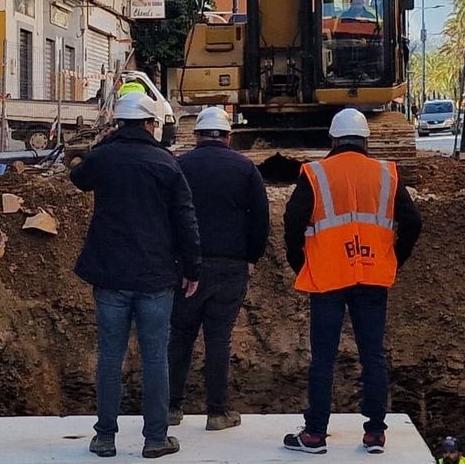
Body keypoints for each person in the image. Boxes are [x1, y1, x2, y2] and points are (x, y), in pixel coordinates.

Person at [283, 108, 424, 455]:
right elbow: (413, 221)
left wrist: (302, 263)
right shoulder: (387, 173)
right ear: (365, 140)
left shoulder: (315, 173)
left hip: (328, 276)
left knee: (323, 358)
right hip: (373, 273)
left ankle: (315, 434)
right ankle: (375, 433)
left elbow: (292, 222)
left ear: (332, 138)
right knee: (373, 355)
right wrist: (395, 258)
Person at [70, 91, 201, 459]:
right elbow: (185, 220)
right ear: (150, 124)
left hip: (111, 274)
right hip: (156, 276)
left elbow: (78, 178)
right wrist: (192, 268)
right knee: (155, 357)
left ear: (119, 124)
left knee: (110, 357)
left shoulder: (104, 158)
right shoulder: (166, 163)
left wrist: (106, 143)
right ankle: (155, 439)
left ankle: (105, 438)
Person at [167, 106, 269, 432]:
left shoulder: (179, 166)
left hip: (187, 268)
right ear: (228, 135)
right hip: (230, 266)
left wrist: (175, 258)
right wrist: (250, 256)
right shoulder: (245, 168)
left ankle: (171, 408)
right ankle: (217, 412)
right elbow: (260, 220)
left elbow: (167, 216)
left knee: (180, 337)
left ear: (196, 135)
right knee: (218, 339)